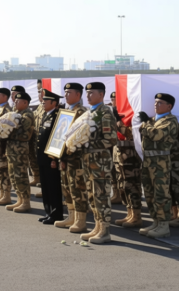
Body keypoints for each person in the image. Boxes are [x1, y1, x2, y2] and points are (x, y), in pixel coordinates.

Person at [135, 93, 177, 239]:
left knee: (161, 194)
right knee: (149, 193)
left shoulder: (170, 120)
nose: (156, 105)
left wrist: (145, 124)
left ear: (169, 106)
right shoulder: (152, 120)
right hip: (148, 162)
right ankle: (156, 222)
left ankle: (164, 225)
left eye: (160, 103)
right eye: (155, 102)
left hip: (160, 163)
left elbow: (157, 135)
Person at [80, 82, 117, 244]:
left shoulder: (105, 113)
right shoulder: (89, 113)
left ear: (101, 95)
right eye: (87, 93)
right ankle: (97, 226)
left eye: (91, 93)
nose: (88, 96)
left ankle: (104, 231)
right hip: (88, 160)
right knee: (92, 195)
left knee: (101, 196)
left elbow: (111, 139)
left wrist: (88, 143)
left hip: (100, 162)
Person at [56, 83, 89, 232]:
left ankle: (80, 221)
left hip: (76, 158)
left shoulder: (82, 112)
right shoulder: (65, 111)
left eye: (69, 92)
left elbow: (81, 137)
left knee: (77, 188)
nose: (66, 95)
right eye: (65, 92)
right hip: (64, 156)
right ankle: (71, 217)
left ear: (78, 95)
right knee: (66, 187)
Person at [112, 106, 143, 229]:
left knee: (132, 186)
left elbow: (130, 134)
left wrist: (119, 122)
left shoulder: (133, 115)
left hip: (130, 156)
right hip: (120, 153)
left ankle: (136, 216)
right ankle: (129, 213)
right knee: (123, 185)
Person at [36, 89, 63, 224]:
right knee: (45, 187)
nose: (43, 102)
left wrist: (54, 158)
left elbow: (58, 139)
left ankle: (56, 214)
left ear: (53, 103)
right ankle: (48, 212)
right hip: (42, 157)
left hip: (50, 158)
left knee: (53, 187)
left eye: (45, 101)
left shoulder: (57, 116)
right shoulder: (46, 115)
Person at [4, 92, 34, 213]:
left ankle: (26, 202)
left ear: (25, 103)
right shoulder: (16, 113)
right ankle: (19, 199)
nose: (15, 102)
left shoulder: (27, 115)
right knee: (13, 175)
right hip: (12, 149)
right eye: (15, 100)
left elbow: (17, 127)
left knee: (21, 176)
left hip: (20, 150)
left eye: (17, 101)